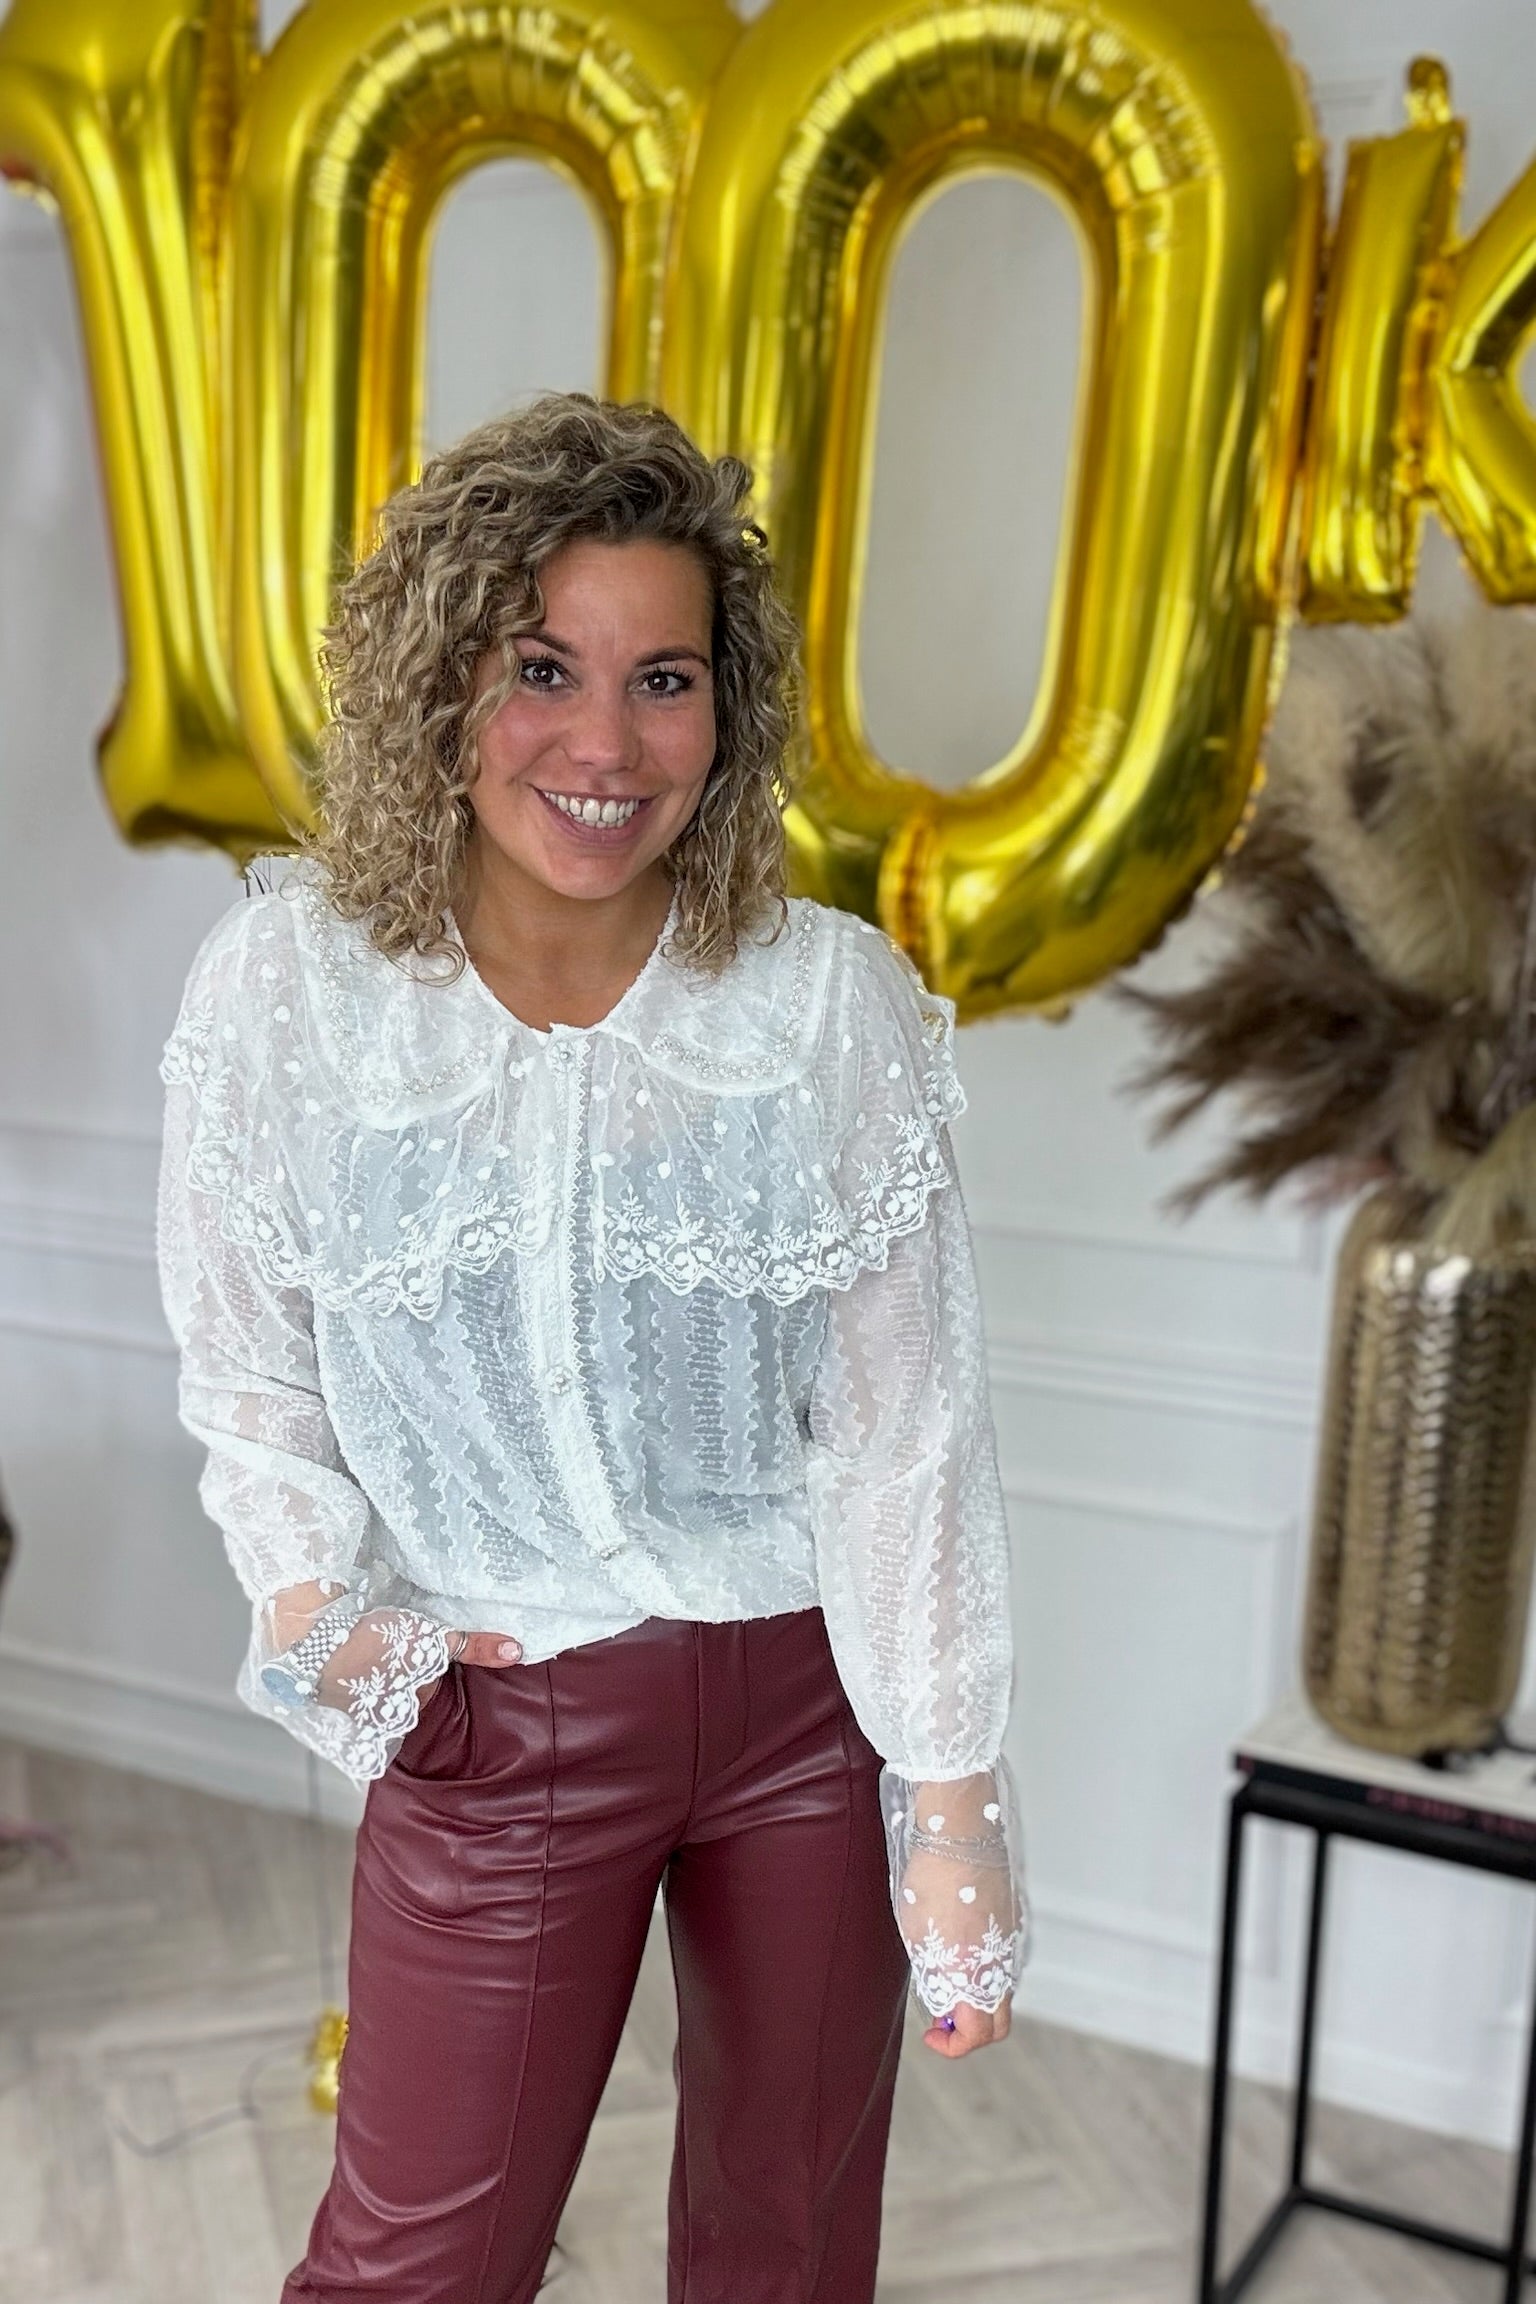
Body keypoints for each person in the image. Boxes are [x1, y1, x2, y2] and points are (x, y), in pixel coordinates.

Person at [155, 391, 1028, 2304]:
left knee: (791, 2252)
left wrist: (951, 1799)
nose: (608, 744)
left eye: (666, 680)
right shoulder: (291, 992)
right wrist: (324, 1613)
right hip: (505, 1712)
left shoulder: (826, 1009)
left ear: (729, 715)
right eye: (543, 668)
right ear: (441, 681)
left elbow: (906, 1429)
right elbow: (247, 1366)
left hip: (811, 1715)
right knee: (416, 2266)